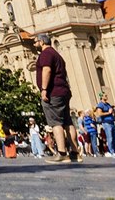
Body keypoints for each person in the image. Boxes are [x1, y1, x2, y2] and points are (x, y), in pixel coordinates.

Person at [34, 33, 82, 163]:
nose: (34, 44)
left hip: (53, 92)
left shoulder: (46, 54)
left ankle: (61, 153)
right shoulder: (57, 55)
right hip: (63, 91)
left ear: (42, 42)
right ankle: (75, 153)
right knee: (68, 122)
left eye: (35, 42)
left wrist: (44, 89)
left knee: (56, 122)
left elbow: (47, 70)